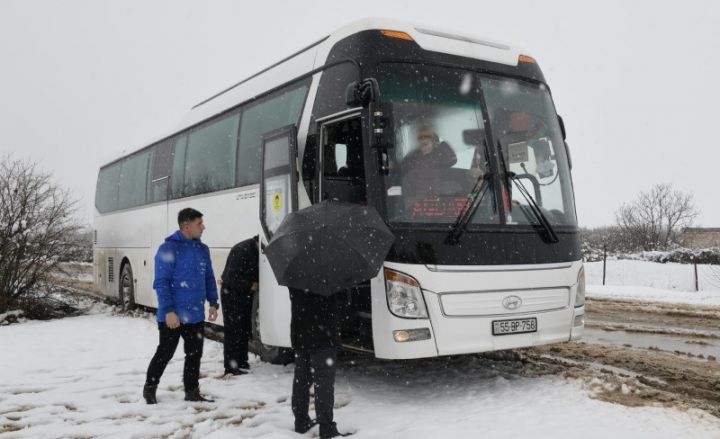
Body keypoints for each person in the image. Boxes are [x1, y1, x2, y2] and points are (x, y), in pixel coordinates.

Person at [143, 208, 219, 404]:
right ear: (187, 226)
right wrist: (168, 311)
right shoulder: (168, 249)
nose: (203, 227)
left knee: (194, 354)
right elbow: (161, 283)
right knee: (165, 353)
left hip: (195, 313)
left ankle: (192, 391)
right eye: (199, 224)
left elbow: (209, 277)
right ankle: (150, 388)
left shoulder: (202, 249)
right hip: (173, 314)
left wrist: (213, 303)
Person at [289, 288, 348, 439]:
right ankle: (327, 428)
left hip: (300, 332)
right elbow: (343, 299)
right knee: (324, 383)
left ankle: (301, 421)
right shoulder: (329, 275)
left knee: (301, 379)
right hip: (324, 335)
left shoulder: (293, 270)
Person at [220, 235, 259, 375]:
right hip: (231, 294)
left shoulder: (254, 249)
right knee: (233, 330)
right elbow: (230, 278)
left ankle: (242, 361)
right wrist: (250, 285)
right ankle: (230, 366)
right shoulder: (242, 250)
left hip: (244, 294)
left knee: (243, 329)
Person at [400, 126, 457, 202]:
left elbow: (452, 159)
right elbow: (402, 168)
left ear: (433, 142)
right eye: (421, 144)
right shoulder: (414, 157)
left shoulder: (440, 155)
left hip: (439, 195)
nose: (423, 148)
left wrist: (441, 143)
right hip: (419, 197)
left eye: (426, 144)